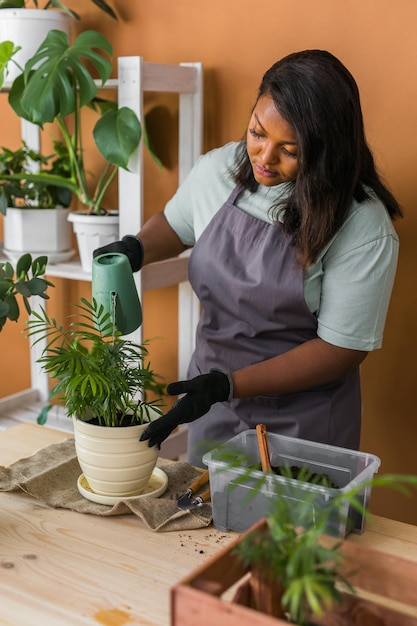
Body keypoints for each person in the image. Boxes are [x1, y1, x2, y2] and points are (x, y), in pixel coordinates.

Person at [94, 49, 402, 468]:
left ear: (327, 149)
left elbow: (340, 349)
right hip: (212, 406)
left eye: (289, 150)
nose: (263, 157)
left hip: (303, 424)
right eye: (257, 133)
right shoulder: (219, 169)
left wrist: (229, 384)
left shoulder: (362, 225)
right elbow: (176, 224)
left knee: (290, 534)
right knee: (203, 527)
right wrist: (137, 248)